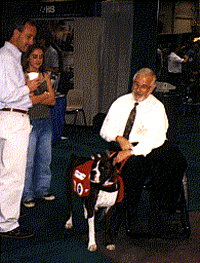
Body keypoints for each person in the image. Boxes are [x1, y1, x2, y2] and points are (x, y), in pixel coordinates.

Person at [100, 68, 187, 237]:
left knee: (176, 160)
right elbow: (104, 130)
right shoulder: (121, 102)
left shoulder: (157, 107)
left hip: (149, 145)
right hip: (122, 144)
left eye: (144, 87)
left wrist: (131, 151)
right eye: (136, 84)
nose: (138, 90)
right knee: (135, 168)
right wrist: (118, 138)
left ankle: (161, 213)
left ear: (152, 88)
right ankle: (130, 220)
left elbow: (155, 139)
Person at [0, 17, 39, 238]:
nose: (30, 42)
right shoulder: (6, 57)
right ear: (16, 33)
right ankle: (7, 223)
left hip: (13, 119)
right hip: (12, 121)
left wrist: (25, 89)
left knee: (8, 173)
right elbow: (5, 96)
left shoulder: (12, 59)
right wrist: (26, 87)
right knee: (12, 175)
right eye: (28, 36)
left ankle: (7, 214)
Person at [21, 44, 56, 208]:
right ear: (28, 57)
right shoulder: (23, 77)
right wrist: (43, 96)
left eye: (41, 57)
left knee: (45, 158)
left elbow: (53, 101)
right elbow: (28, 101)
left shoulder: (45, 76)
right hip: (30, 122)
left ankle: (42, 189)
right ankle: (27, 194)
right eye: (35, 56)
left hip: (45, 121)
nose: (38, 60)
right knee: (28, 160)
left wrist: (38, 97)